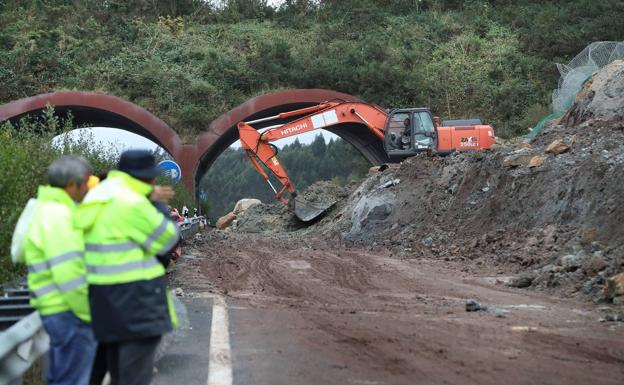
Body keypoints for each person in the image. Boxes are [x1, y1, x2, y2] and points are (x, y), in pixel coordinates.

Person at [77, 150, 180, 385]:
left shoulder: (96, 196)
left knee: (118, 374)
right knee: (133, 378)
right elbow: (168, 239)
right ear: (144, 178)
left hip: (102, 301)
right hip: (137, 303)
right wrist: (156, 204)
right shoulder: (132, 202)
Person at [12, 156, 96, 385]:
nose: (88, 188)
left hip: (55, 309)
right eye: (86, 182)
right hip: (69, 311)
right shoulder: (60, 217)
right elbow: (69, 276)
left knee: (61, 377)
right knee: (74, 378)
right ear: (71, 184)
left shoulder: (46, 210)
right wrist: (89, 313)